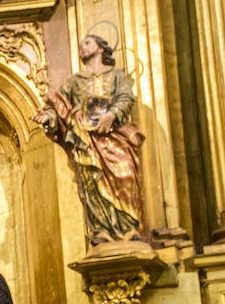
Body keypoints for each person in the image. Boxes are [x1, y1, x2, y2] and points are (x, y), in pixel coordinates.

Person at [33, 34, 146, 244]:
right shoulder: (75, 81)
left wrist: (111, 114)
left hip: (114, 134)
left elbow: (126, 97)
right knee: (91, 181)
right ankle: (102, 229)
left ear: (101, 48)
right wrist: (46, 116)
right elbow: (59, 108)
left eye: (87, 43)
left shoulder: (116, 75)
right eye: (80, 46)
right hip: (85, 138)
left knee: (126, 173)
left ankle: (129, 227)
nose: (82, 47)